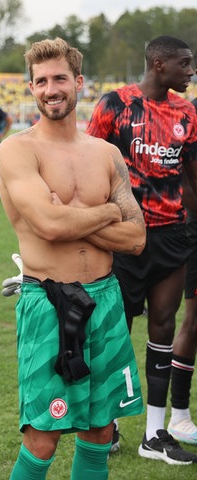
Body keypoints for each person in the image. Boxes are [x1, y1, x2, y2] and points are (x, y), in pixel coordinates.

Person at [0, 37, 146, 480]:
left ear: (78, 82)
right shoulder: (18, 149)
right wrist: (106, 211)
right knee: (42, 436)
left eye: (59, 78)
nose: (51, 88)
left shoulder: (106, 154)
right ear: (31, 88)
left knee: (101, 430)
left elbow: (136, 237)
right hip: (49, 303)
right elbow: (49, 226)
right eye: (40, 81)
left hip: (106, 298)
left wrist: (73, 215)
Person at [86, 35, 197, 464]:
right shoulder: (115, 104)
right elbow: (89, 161)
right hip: (124, 234)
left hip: (172, 234)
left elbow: (191, 173)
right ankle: (106, 425)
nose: (190, 72)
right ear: (158, 63)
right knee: (116, 332)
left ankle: (155, 433)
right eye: (184, 64)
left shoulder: (188, 112)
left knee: (164, 328)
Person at [167, 95, 197, 446]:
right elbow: (186, 182)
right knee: (192, 321)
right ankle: (179, 416)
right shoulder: (189, 113)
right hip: (191, 228)